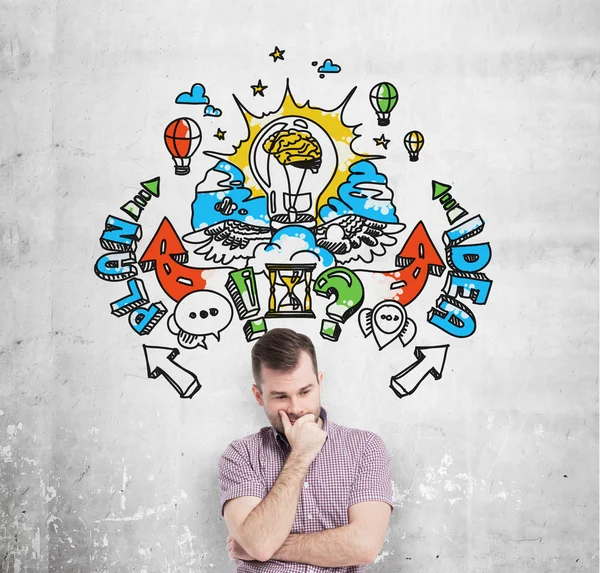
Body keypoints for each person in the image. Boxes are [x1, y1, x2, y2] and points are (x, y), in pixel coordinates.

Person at [218, 328, 394, 571]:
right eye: (280, 396)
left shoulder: (365, 447)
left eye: (305, 392)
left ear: (319, 383)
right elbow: (260, 544)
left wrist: (269, 547)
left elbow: (364, 546)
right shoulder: (240, 455)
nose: (296, 407)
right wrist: (300, 454)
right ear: (259, 396)